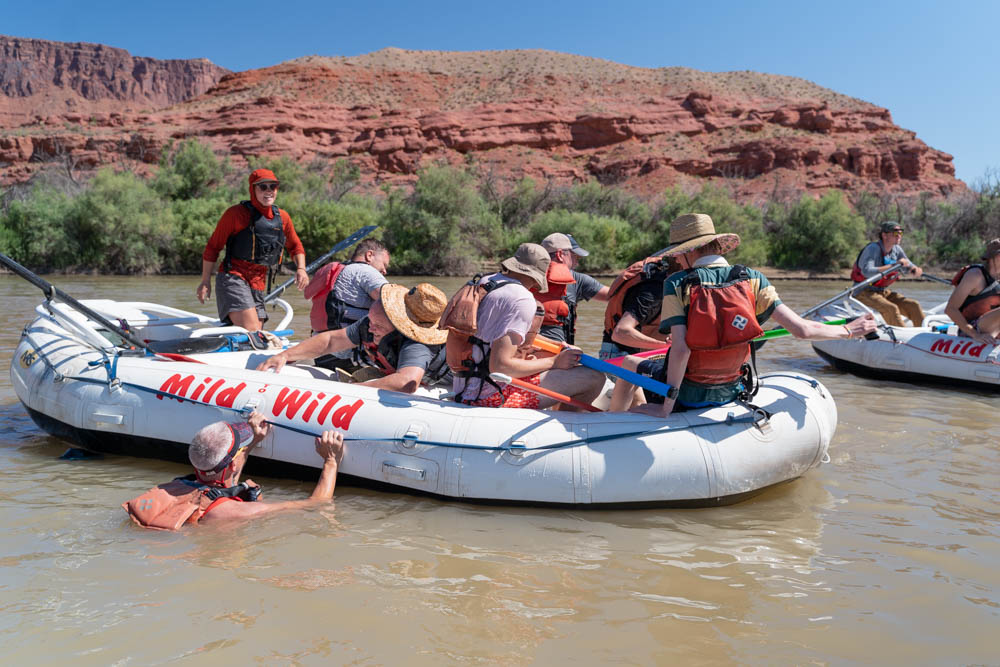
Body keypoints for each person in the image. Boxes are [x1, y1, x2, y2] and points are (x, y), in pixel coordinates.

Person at [610, 213, 877, 416]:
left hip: (687, 396)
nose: (677, 261)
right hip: (732, 390)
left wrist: (667, 406)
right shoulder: (752, 278)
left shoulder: (677, 283)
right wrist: (850, 329)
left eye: (679, 255)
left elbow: (681, 350)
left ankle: (613, 423)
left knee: (630, 364)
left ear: (691, 251)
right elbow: (803, 330)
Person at [123, 411, 344, 530]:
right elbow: (317, 504)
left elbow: (224, 478)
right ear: (232, 464)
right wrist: (331, 461)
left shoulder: (178, 487)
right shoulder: (234, 512)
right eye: (240, 448)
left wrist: (255, 440)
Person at [448, 243, 606, 408]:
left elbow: (495, 333)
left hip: (464, 386)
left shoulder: (486, 282)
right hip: (491, 394)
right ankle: (565, 425)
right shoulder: (522, 299)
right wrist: (554, 362)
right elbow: (500, 367)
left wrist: (555, 345)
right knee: (594, 377)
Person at [257, 283, 452, 393]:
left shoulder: (416, 345)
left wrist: (355, 390)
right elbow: (331, 341)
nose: (371, 328)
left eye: (379, 326)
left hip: (446, 387)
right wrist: (285, 355)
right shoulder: (374, 321)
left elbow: (406, 382)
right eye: (371, 321)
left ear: (400, 327)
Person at [197, 169, 307, 332]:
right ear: (252, 189)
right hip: (233, 277)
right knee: (252, 329)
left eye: (273, 186)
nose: (269, 191)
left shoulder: (282, 218)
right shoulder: (235, 214)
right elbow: (213, 247)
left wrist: (301, 269)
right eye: (262, 187)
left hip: (258, 280)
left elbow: (295, 247)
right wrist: (205, 281)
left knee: (257, 332)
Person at [598, 252, 676, 360]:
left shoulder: (671, 284)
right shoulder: (653, 291)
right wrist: (667, 346)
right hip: (620, 354)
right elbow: (621, 332)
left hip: (642, 354)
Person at [304, 239, 392, 334]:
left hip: (318, 340)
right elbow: (392, 305)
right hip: (350, 344)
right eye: (384, 264)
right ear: (369, 255)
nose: (385, 271)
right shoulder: (366, 271)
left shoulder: (336, 271)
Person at [536, 232, 610, 344]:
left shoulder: (524, 275)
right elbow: (614, 295)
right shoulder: (577, 279)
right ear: (560, 254)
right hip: (559, 352)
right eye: (575, 256)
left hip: (525, 348)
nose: (577, 261)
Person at [850, 221, 924, 327]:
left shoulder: (897, 249)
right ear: (884, 235)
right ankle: (902, 338)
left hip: (882, 292)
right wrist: (894, 265)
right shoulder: (872, 249)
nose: (898, 235)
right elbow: (867, 272)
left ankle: (925, 335)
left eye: (900, 232)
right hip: (862, 291)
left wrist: (915, 269)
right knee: (891, 308)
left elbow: (908, 265)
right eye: (895, 232)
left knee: (914, 305)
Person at [944, 238, 1000, 344]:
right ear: (992, 257)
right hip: (972, 330)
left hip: (995, 329)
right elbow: (950, 309)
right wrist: (975, 335)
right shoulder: (975, 275)